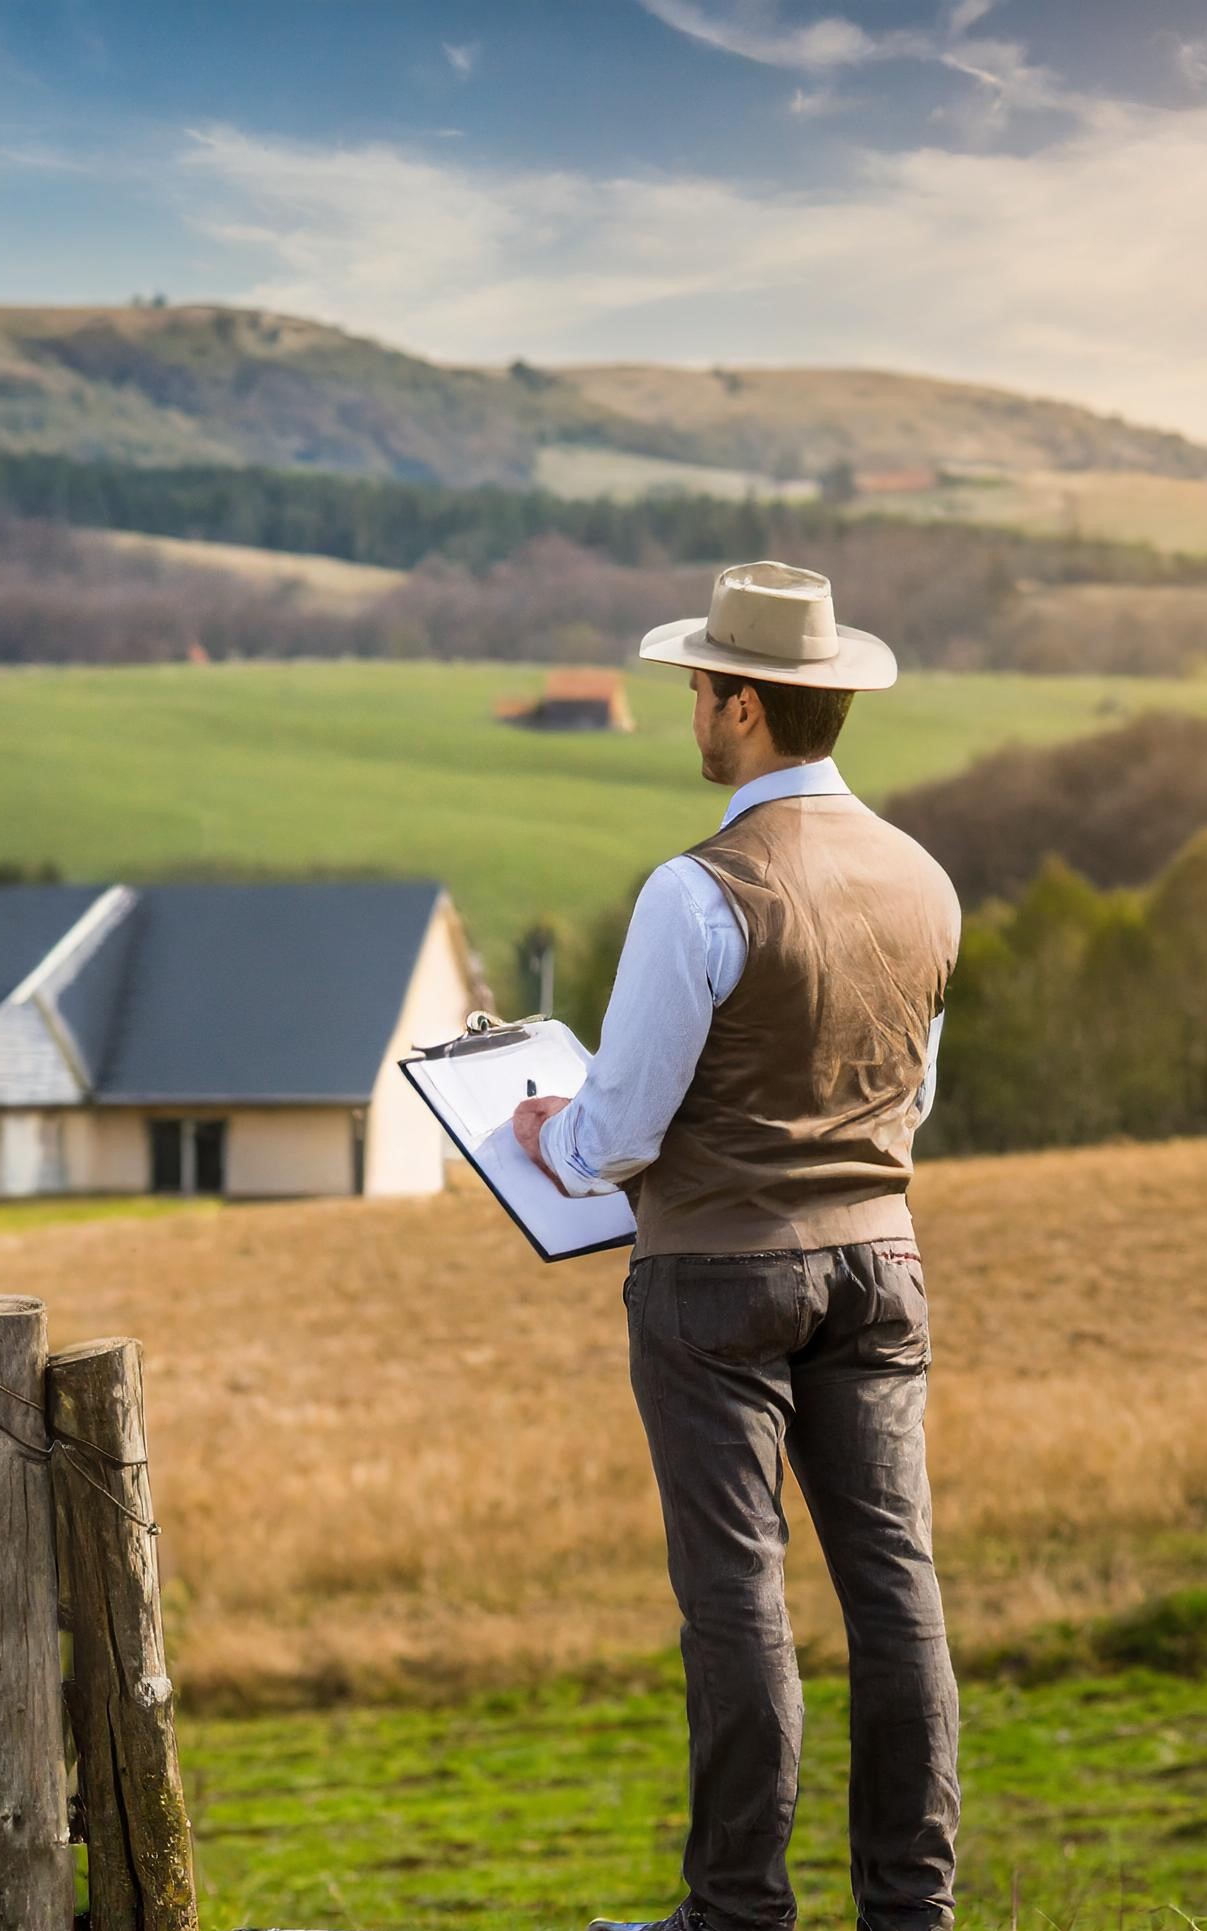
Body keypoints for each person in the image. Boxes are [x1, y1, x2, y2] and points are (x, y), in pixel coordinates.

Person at [511, 560, 964, 1931]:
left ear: (749, 709)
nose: (690, 711)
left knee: (737, 1602)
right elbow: (913, 1096)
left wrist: (545, 1130)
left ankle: (738, 1914)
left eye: (701, 690)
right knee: (897, 1597)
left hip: (715, 1281)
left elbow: (622, 1134)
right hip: (881, 1268)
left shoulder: (696, 891)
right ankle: (910, 1909)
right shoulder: (925, 879)